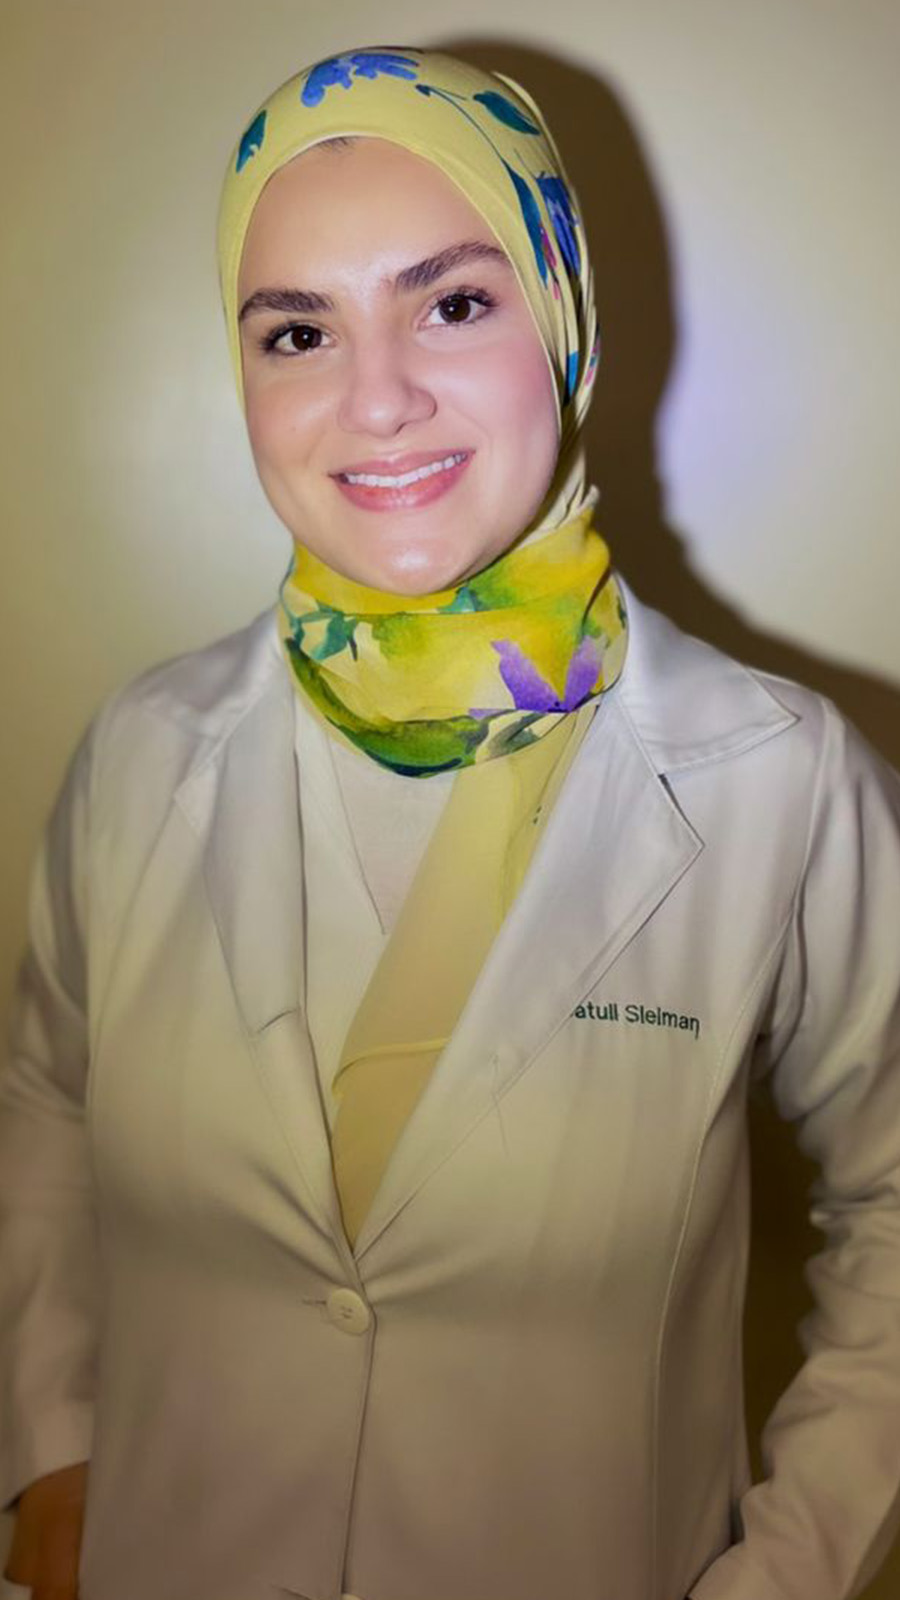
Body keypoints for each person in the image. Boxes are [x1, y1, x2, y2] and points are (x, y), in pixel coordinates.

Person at [3, 42, 900, 1600]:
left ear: (561, 318)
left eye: (455, 301)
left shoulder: (781, 777)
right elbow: (45, 1101)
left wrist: (795, 1570)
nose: (376, 397)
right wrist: (53, 1447)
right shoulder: (144, 753)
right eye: (298, 329)